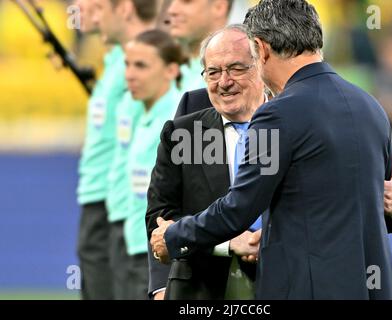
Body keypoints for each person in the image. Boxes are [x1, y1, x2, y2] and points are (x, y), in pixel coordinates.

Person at [151, 0, 392, 299]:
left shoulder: (276, 114)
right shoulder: (370, 106)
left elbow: (239, 208)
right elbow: (371, 203)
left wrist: (174, 235)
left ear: (261, 49)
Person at [146, 25, 266, 300]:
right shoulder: (182, 134)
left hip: (279, 282)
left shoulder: (292, 125)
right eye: (213, 72)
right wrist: (228, 243)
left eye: (236, 68)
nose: (224, 82)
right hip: (198, 290)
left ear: (260, 65)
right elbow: (160, 219)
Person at [124, 29, 186, 299]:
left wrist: (162, 279)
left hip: (157, 251)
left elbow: (179, 197)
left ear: (171, 70)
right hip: (137, 244)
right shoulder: (142, 112)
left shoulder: (178, 120)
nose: (130, 74)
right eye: (127, 65)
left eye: (141, 65)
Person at [76, 0, 125, 300]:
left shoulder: (132, 64)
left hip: (112, 200)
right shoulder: (114, 62)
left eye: (94, 4)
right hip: (98, 196)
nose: (78, 7)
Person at [167, 0, 233, 92]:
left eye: (186, 1)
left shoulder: (235, 77)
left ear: (219, 7)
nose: (172, 10)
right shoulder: (169, 72)